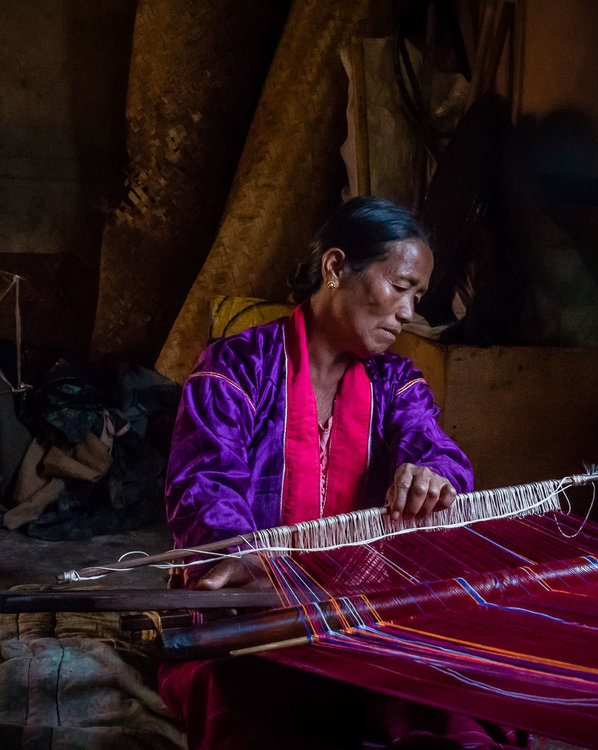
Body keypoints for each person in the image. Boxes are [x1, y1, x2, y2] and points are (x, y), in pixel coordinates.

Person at [159, 197, 525, 749]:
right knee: (242, 695)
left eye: (418, 297)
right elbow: (202, 483)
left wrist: (432, 473)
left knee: (447, 700)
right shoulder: (235, 368)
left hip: (366, 612)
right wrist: (240, 555)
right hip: (258, 608)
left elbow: (438, 450)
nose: (408, 312)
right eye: (400, 287)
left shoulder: (397, 384)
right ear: (335, 268)